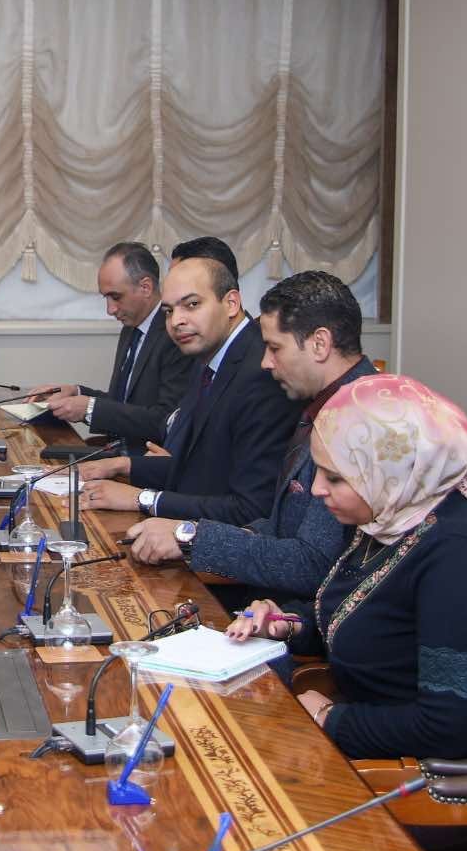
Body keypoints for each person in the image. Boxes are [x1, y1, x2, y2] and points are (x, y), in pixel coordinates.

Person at [229, 375, 467, 761]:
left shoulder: (462, 555)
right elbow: (368, 622)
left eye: (335, 477)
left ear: (390, 470)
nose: (316, 489)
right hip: (370, 739)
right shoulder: (392, 512)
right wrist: (288, 624)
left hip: (428, 779)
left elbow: (449, 727)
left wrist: (329, 719)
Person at [125, 271, 377, 601]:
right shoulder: (326, 401)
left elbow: (312, 563)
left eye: (274, 348)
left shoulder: (359, 419)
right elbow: (279, 525)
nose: (266, 362)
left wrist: (190, 537)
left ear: (319, 344)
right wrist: (189, 534)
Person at [81, 244, 301, 525]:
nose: (176, 321)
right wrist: (123, 466)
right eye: (169, 311)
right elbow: (200, 468)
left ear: (231, 303)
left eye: (192, 304)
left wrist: (143, 499)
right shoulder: (207, 355)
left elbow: (250, 508)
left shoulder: (262, 370)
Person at [29, 241, 191, 453]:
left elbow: (164, 421)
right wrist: (75, 392)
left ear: (146, 287)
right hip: (117, 450)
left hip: (147, 459)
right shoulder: (130, 328)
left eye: (116, 297)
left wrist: (89, 409)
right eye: (106, 298)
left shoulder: (176, 334)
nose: (110, 309)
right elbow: (122, 402)